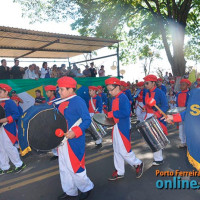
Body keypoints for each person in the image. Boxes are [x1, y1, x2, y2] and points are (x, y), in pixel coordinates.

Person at [57, 76, 94, 200]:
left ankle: (86, 187)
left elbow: (87, 120)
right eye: (59, 89)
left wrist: (75, 132)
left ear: (70, 89)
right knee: (64, 167)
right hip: (61, 141)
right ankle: (70, 191)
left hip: (74, 140)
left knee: (76, 166)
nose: (59, 91)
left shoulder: (78, 101)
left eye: (61, 89)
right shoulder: (60, 101)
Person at [105, 77, 143, 180]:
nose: (109, 92)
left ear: (118, 87)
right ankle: (120, 171)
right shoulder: (114, 98)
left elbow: (126, 113)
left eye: (111, 89)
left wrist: (112, 114)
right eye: (108, 90)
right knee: (116, 150)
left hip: (123, 127)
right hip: (116, 126)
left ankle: (137, 163)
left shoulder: (123, 97)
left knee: (124, 150)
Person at [0, 84, 26, 175]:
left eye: (0, 92)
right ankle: (5, 167)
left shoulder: (10, 102)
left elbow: (16, 115)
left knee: (9, 147)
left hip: (8, 128)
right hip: (1, 128)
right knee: (1, 148)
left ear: (6, 92)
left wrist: (6, 119)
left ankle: (19, 164)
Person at [143, 74, 169, 166]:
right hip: (148, 115)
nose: (145, 85)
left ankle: (158, 159)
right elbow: (147, 104)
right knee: (151, 137)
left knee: (155, 138)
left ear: (153, 83)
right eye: (145, 83)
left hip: (156, 117)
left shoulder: (160, 92)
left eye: (147, 83)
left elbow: (165, 106)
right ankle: (157, 156)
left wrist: (157, 114)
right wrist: (145, 108)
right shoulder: (146, 92)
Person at [176, 79, 191, 148]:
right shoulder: (178, 93)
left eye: (183, 84)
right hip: (179, 111)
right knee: (181, 127)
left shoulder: (189, 93)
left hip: (187, 112)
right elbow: (177, 103)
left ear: (188, 85)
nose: (181, 86)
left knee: (187, 127)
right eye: (181, 84)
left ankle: (189, 142)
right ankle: (182, 142)